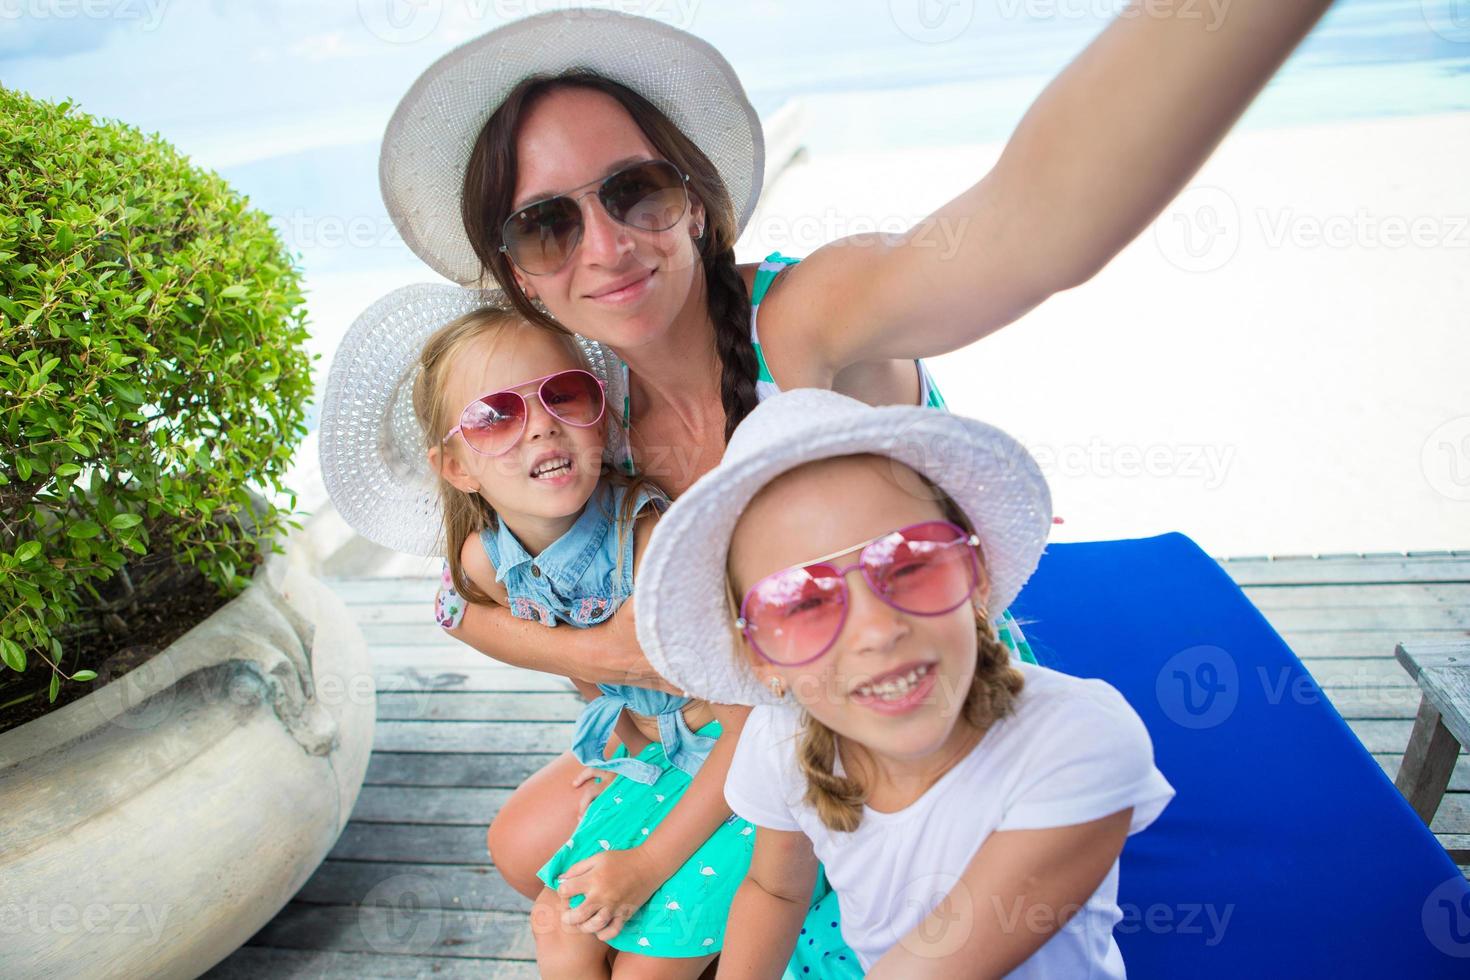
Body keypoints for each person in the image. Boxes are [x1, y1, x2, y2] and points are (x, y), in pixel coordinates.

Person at [377, 2, 1332, 908]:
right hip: (751, 732)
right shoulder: (582, 411)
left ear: (697, 205)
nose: (607, 244)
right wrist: (593, 651)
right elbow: (467, 592)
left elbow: (1030, 227)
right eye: (549, 224)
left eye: (636, 190)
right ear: (518, 276)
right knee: (520, 851)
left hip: (912, 706)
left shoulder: (804, 320)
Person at [632, 388, 1176, 978]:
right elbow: (775, 891)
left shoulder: (1078, 739)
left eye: (911, 563)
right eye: (800, 600)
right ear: (760, 656)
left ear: (977, 573)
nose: (876, 630)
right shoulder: (779, 740)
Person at [318, 285, 752, 977]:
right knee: (556, 922)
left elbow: (750, 730)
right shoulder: (486, 563)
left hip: (736, 770)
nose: (542, 425)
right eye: (495, 415)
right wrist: (622, 746)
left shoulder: (648, 545)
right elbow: (491, 627)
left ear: (600, 417)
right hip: (659, 754)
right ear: (455, 466)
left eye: (565, 393)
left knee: (645, 964)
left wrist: (646, 862)